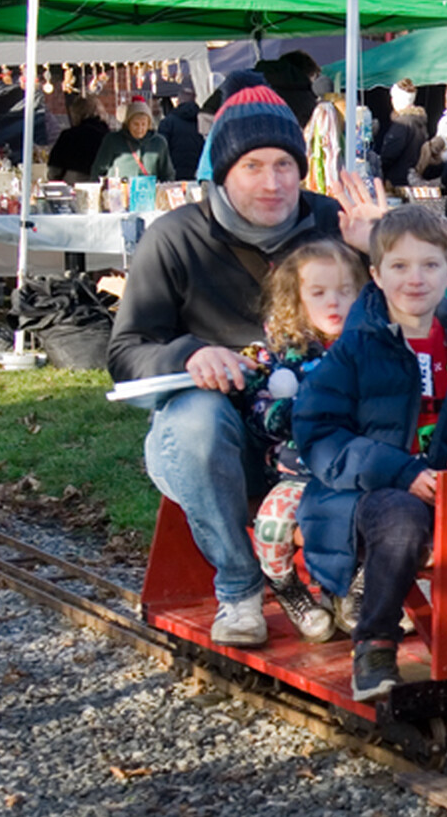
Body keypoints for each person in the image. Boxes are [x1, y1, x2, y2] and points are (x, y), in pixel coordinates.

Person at [107, 78, 384, 646]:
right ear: (224, 171)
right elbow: (124, 351)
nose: (272, 182)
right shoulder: (176, 237)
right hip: (224, 424)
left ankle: (367, 581)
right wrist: (190, 353)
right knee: (195, 423)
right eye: (253, 166)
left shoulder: (333, 224)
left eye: (284, 164)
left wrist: (377, 251)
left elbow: (402, 318)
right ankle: (239, 589)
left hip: (325, 419)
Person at [292, 206, 447, 701]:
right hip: (364, 489)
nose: (416, 279)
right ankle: (375, 640)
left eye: (430, 265)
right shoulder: (357, 347)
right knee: (403, 522)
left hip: (445, 483)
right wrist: (402, 471)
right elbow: (318, 434)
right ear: (377, 274)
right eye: (400, 267)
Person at [240, 240, 365, 642]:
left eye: (346, 291)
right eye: (318, 292)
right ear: (295, 298)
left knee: (380, 521)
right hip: (299, 472)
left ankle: (352, 593)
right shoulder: (277, 355)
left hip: (357, 471)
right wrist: (296, 413)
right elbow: (259, 417)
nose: (334, 302)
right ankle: (287, 586)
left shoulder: (372, 346)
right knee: (273, 524)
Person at [91, 97, 176, 183]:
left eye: (143, 124)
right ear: (128, 123)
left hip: (148, 193)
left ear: (149, 124)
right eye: (136, 124)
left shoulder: (159, 142)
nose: (140, 128)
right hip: (120, 193)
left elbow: (167, 173)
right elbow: (98, 170)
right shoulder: (112, 140)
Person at [377, 79, 431, 191]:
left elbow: (390, 153)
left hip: (399, 181)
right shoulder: (419, 122)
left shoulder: (402, 123)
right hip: (413, 178)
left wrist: (380, 164)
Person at [45, 94, 110, 183]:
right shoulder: (109, 137)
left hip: (73, 186)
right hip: (103, 186)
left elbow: (54, 172)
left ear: (75, 113)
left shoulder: (68, 136)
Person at [157, 97, 204, 182]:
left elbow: (161, 148)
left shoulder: (168, 122)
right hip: (197, 173)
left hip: (174, 173)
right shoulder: (202, 121)